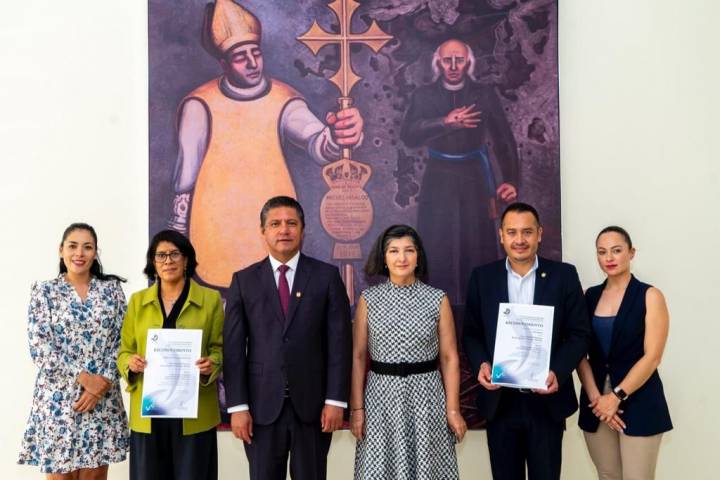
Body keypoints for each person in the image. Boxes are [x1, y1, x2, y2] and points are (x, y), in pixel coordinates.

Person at [168, 0, 364, 289]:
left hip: (272, 232)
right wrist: (177, 242)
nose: (252, 63)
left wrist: (338, 134)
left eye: (256, 53)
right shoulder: (199, 105)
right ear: (224, 64)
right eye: (240, 57)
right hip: (215, 234)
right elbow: (185, 182)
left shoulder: (282, 99)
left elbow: (317, 141)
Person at [223, 195, 352, 480]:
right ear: (263, 231)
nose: (284, 230)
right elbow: (233, 350)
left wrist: (335, 400)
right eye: (275, 223)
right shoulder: (244, 281)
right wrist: (238, 406)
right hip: (260, 408)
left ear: (303, 230)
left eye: (291, 223)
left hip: (314, 408)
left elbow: (340, 345)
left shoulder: (326, 277)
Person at [463, 202, 590, 480]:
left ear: (539, 234)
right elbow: (471, 333)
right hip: (501, 401)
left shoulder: (564, 276)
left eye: (527, 232)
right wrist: (482, 363)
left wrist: (557, 371)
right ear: (501, 235)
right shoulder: (482, 277)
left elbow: (579, 334)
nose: (519, 240)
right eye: (512, 232)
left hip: (547, 401)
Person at [400, 38, 519, 307]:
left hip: (474, 176)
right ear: (438, 63)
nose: (453, 66)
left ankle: (479, 310)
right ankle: (435, 312)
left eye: (459, 60)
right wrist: (445, 122)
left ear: (468, 63)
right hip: (438, 176)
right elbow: (409, 135)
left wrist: (511, 179)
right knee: (436, 242)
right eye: (447, 60)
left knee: (476, 244)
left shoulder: (483, 94)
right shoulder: (424, 95)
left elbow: (503, 138)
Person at [350, 224, 467, 479]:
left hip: (426, 396)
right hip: (381, 398)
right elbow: (358, 357)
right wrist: (357, 410)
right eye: (393, 251)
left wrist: (453, 409)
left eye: (409, 250)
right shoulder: (369, 299)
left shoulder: (437, 298)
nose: (401, 258)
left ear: (418, 256)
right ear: (384, 258)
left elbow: (449, 358)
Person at [18, 223, 129, 479]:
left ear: (95, 253)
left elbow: (124, 339)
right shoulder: (44, 291)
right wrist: (84, 379)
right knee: (60, 477)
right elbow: (40, 346)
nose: (79, 253)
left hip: (102, 398)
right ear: (61, 250)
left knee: (94, 475)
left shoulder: (111, 290)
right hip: (57, 399)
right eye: (73, 246)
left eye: (87, 247)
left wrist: (101, 383)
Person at [117, 230, 224, 480]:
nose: (168, 261)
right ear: (153, 262)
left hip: (194, 413)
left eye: (175, 254)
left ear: (186, 260)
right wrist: (130, 363)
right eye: (161, 255)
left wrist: (212, 364)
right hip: (149, 414)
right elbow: (124, 352)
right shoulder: (137, 301)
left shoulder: (210, 300)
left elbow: (220, 349)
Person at [577, 226, 672, 479]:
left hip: (639, 399)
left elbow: (653, 357)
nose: (609, 258)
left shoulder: (650, 296)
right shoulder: (587, 297)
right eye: (602, 252)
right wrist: (598, 400)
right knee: (607, 475)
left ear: (631, 253)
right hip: (596, 402)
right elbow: (579, 354)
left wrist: (616, 396)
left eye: (616, 250)